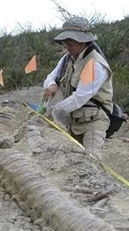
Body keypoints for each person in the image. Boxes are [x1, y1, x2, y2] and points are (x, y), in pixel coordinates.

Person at [43, 16, 114, 159]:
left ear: (83, 41)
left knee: (92, 161)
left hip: (94, 122)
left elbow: (81, 96)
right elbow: (51, 76)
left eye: (71, 41)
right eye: (64, 41)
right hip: (73, 122)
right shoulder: (67, 59)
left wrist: (56, 110)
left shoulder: (94, 63)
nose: (67, 45)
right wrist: (51, 85)